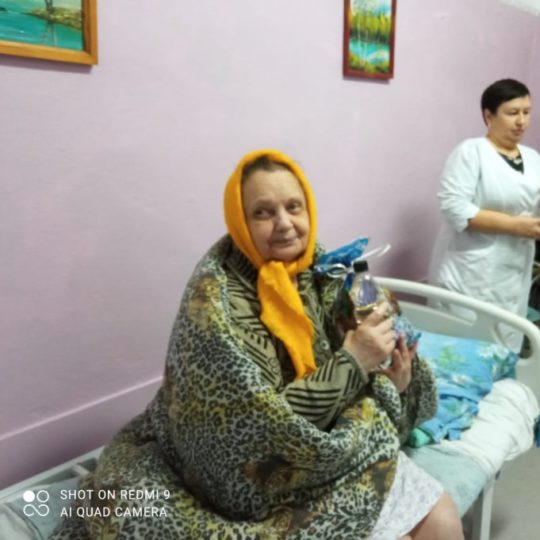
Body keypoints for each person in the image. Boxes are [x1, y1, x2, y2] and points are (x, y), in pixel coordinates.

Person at [51, 149, 463, 539]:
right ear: (240, 222)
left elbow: (373, 355)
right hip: (242, 471)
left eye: (293, 207)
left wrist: (394, 379)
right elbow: (255, 434)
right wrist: (354, 361)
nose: (284, 223)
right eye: (263, 212)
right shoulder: (214, 305)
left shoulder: (322, 271)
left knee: (443, 519)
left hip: (331, 441)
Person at [428, 78, 540, 350]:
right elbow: (455, 208)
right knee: (463, 351)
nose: (521, 121)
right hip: (471, 273)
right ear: (488, 116)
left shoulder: (533, 158)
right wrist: (515, 226)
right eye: (512, 113)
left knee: (504, 348)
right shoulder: (471, 152)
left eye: (526, 112)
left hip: (514, 274)